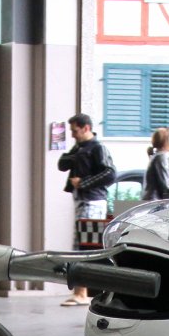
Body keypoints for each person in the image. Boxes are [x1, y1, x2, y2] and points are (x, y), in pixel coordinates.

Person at [57, 113, 115, 306]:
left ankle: (82, 292)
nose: (73, 135)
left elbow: (110, 173)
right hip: (84, 201)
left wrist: (83, 182)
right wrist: (76, 153)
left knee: (85, 246)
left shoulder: (97, 148)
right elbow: (62, 164)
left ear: (86, 128)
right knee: (82, 245)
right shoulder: (81, 148)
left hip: (92, 201)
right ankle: (82, 291)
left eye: (75, 131)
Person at [143, 127, 169, 202]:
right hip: (156, 202)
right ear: (165, 141)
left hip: (152, 200)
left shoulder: (156, 156)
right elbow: (165, 186)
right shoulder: (161, 157)